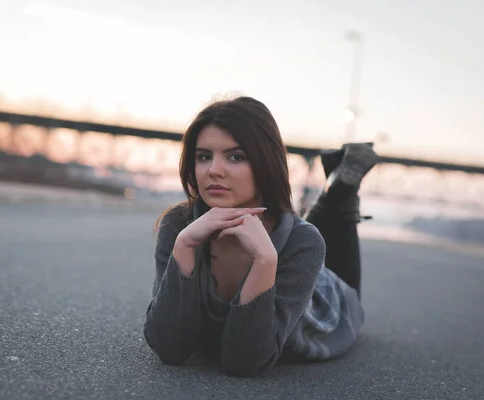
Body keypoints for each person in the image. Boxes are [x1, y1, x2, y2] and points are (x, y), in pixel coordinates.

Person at [143, 96, 378, 378]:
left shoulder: (304, 244)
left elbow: (244, 362)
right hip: (294, 243)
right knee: (299, 231)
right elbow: (169, 348)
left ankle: (339, 192)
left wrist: (266, 259)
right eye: (204, 156)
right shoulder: (179, 226)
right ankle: (337, 186)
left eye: (236, 157)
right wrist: (184, 245)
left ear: (266, 163)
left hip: (328, 304)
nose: (213, 170)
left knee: (312, 247)